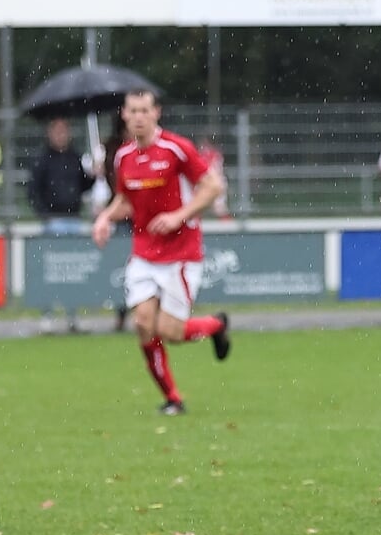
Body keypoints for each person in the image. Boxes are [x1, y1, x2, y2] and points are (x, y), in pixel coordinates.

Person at [91, 89, 234, 415]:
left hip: (181, 254)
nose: (139, 116)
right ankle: (173, 398)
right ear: (124, 115)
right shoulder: (123, 157)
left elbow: (213, 187)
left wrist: (178, 216)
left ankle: (215, 325)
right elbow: (126, 201)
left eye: (145, 110)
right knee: (143, 324)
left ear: (156, 113)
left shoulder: (176, 148)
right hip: (144, 252)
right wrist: (104, 218)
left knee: (170, 332)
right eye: (133, 111)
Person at [29, 117, 95, 333]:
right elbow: (33, 191)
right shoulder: (42, 159)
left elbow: (85, 186)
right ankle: (47, 316)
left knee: (73, 271)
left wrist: (94, 175)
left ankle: (72, 316)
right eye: (57, 131)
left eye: (64, 130)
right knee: (50, 271)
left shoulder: (75, 157)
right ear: (50, 133)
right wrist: (44, 214)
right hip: (53, 221)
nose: (61, 135)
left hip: (74, 220)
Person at [199, 138, 232, 219]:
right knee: (197, 208)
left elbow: (211, 169)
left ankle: (227, 227)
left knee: (219, 209)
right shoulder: (210, 154)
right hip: (210, 182)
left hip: (213, 181)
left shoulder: (211, 154)